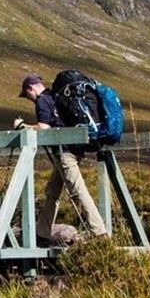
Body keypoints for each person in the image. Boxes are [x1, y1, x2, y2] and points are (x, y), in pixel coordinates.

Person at [16, 73, 108, 245]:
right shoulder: (56, 96)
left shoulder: (42, 101)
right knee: (52, 191)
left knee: (77, 190)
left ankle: (100, 233)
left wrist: (23, 127)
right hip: (73, 148)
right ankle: (42, 234)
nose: (28, 99)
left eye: (27, 94)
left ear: (30, 88)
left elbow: (43, 128)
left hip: (64, 152)